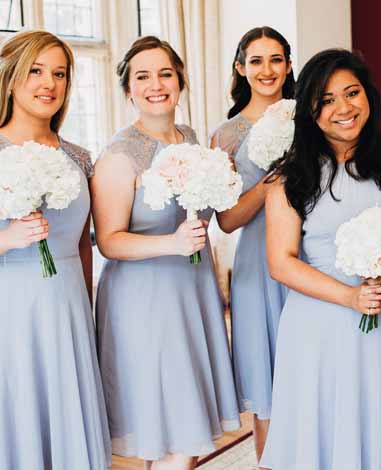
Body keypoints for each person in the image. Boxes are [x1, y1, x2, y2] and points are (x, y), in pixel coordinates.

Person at [0, 29, 110, 469]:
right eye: (36, 71)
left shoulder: (80, 158)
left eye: (59, 73)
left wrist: (85, 315)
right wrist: (5, 239)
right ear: (11, 78)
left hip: (65, 315)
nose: (48, 83)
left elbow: (82, 246)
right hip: (2, 321)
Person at [260, 49, 381, 470]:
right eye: (326, 100)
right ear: (310, 111)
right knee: (320, 435)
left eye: (352, 93)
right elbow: (281, 262)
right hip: (318, 327)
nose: (343, 108)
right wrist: (350, 296)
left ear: (369, 97)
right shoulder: (288, 178)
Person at [93, 36, 240, 470]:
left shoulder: (190, 139)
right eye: (142, 76)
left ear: (180, 80)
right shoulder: (120, 155)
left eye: (165, 73)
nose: (155, 84)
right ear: (128, 91)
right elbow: (109, 241)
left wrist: (223, 181)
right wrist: (171, 244)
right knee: (171, 426)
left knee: (188, 425)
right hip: (146, 298)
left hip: (191, 289)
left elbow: (203, 217)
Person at [210, 26, 295, 462]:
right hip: (256, 264)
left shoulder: (310, 117)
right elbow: (225, 221)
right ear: (241, 68)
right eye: (256, 61)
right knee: (267, 386)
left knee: (308, 372)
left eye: (276, 59)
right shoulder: (225, 136)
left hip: (307, 256)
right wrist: (268, 183)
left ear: (288, 65)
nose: (267, 70)